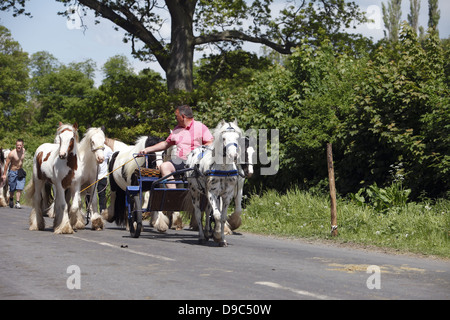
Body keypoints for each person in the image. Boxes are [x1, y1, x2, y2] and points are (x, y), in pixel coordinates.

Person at [139, 104, 214, 187]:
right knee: (164, 166)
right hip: (181, 161)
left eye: (176, 116)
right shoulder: (177, 129)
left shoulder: (201, 127)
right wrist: (147, 150)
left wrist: (198, 153)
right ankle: (174, 195)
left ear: (182, 116)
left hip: (196, 162)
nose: (175, 119)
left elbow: (210, 143)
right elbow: (166, 144)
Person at [2, 139, 26, 209]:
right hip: (12, 172)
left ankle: (18, 202)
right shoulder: (12, 153)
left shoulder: (23, 151)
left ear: (22, 145)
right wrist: (4, 174)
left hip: (20, 171)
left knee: (20, 187)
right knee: (12, 188)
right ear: (16, 145)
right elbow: (6, 164)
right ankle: (11, 198)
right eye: (17, 145)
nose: (19, 146)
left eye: (20, 145)